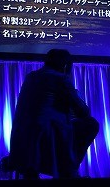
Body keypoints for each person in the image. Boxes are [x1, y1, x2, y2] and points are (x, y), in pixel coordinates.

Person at [8, 48, 99, 179]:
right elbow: (83, 112)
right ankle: (68, 170)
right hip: (47, 133)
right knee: (91, 124)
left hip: (21, 136)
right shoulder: (60, 79)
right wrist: (76, 94)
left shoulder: (31, 77)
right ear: (66, 65)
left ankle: (44, 168)